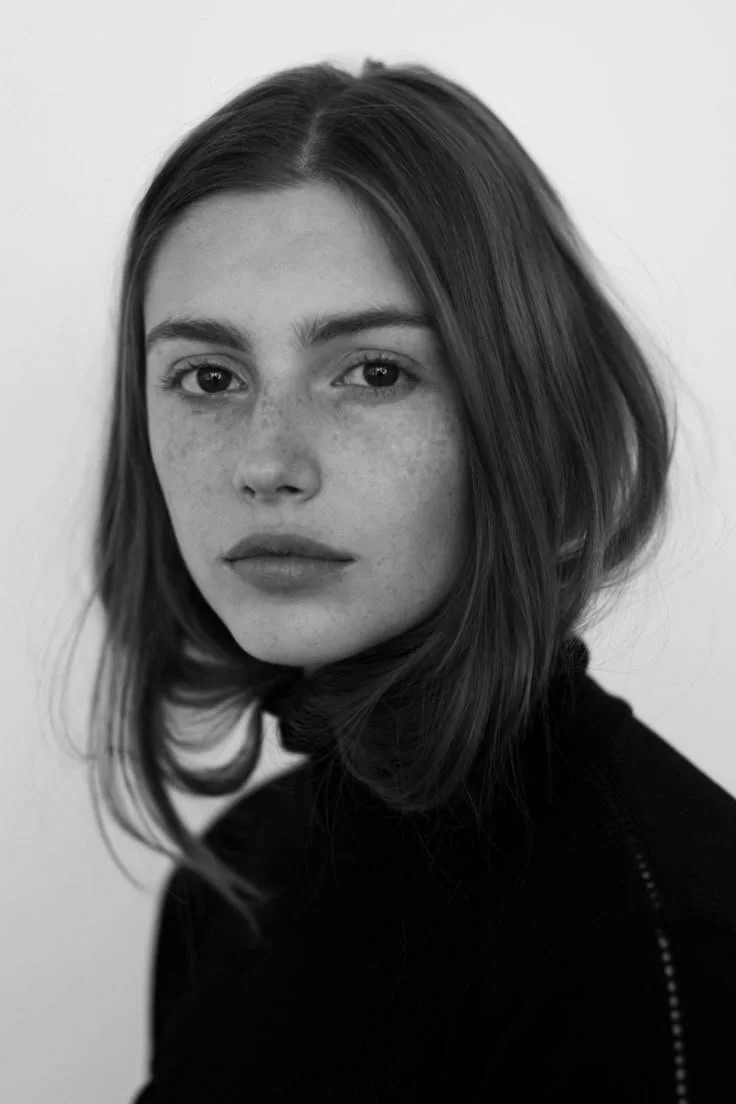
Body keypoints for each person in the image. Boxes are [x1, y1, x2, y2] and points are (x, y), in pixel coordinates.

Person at [48, 57, 733, 1101]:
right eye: (208, 378)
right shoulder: (232, 882)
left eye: (374, 372)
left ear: (528, 413)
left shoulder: (664, 935)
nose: (268, 462)